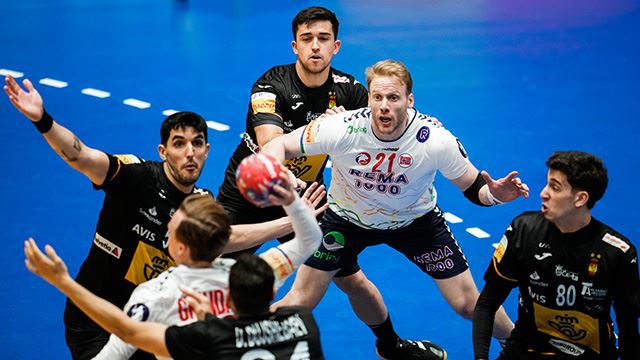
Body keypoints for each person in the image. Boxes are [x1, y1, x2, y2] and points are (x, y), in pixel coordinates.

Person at [3, 75, 325, 359]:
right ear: (162, 151)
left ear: (207, 150)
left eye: (197, 144)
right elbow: (80, 155)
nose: (190, 153)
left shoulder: (201, 204)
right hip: (97, 316)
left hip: (156, 317)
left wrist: (288, 223)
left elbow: (225, 239)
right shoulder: (134, 176)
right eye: (179, 144)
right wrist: (42, 119)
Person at [262, 59, 530, 359]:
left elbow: (472, 187)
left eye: (393, 98)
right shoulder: (341, 128)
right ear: (369, 99)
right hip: (345, 221)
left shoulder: (435, 140)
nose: (384, 106)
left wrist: (494, 195)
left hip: (415, 222)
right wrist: (273, 168)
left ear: (409, 100)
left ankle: (522, 345)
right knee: (303, 299)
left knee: (467, 303)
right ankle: (239, 336)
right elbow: (281, 144)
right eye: (377, 97)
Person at [92, 170, 321, 359]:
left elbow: (113, 355)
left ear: (179, 248)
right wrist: (292, 203)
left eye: (171, 229)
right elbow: (310, 239)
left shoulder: (154, 295)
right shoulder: (254, 275)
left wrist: (62, 281)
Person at [217, 6, 368, 256]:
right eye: (307, 39)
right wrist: (319, 131)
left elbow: (376, 141)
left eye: (323, 38)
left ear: (336, 46)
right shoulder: (270, 85)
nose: (316, 46)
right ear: (295, 47)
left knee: (350, 277)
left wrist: (349, 129)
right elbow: (271, 142)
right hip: (249, 193)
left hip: (305, 195)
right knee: (214, 258)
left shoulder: (351, 92)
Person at [24, 240, 325, 359]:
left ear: (229, 300)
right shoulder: (304, 321)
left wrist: (62, 281)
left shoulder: (210, 336)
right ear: (272, 293)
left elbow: (127, 330)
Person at [473, 151, 640, 359]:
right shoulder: (523, 230)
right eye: (546, 184)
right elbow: (486, 305)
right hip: (525, 350)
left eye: (555, 187)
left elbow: (629, 330)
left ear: (580, 198)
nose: (543, 193)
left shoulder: (617, 253)